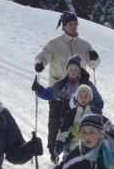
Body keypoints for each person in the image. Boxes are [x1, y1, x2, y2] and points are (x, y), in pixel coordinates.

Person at [34, 15, 100, 159]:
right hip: (58, 89)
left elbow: (93, 64)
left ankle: (73, 150)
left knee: (75, 123)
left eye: (75, 24)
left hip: (79, 94)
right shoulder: (54, 44)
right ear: (63, 26)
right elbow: (42, 57)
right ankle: (53, 149)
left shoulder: (84, 45)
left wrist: (95, 57)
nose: (73, 26)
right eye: (70, 24)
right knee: (55, 121)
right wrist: (39, 63)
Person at [32, 56, 104, 157]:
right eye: (71, 69)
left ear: (79, 70)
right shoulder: (62, 84)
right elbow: (50, 93)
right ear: (67, 70)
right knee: (61, 132)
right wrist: (39, 89)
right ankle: (61, 154)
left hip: (84, 116)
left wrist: (96, 109)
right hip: (67, 115)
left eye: (75, 69)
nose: (73, 71)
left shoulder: (86, 84)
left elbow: (98, 100)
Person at [55, 83, 106, 159]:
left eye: (86, 96)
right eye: (81, 96)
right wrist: (60, 142)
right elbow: (64, 129)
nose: (83, 99)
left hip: (92, 139)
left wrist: (111, 132)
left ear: (90, 98)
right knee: (74, 153)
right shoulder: (71, 113)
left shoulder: (95, 112)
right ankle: (69, 160)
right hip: (73, 142)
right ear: (77, 98)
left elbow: (103, 125)